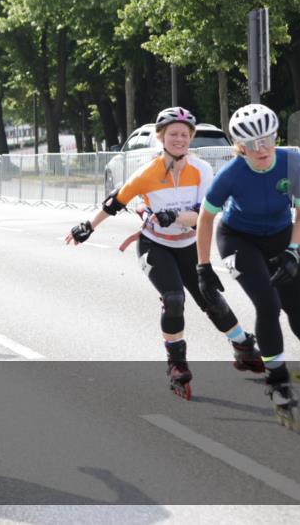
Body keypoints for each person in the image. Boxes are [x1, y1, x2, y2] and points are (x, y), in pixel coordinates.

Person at [66, 107, 263, 400]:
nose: (179, 139)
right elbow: (115, 202)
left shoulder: (202, 171)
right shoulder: (147, 173)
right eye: (173, 134)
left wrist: (175, 216)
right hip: (155, 246)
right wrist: (88, 226)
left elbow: (203, 216)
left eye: (185, 135)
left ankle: (243, 346)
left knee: (211, 299)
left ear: (191, 139)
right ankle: (177, 365)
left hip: (189, 246)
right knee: (174, 300)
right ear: (161, 137)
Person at [196, 103, 300, 428]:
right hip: (238, 238)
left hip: (281, 234)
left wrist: (294, 251)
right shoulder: (231, 174)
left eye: (267, 139)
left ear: (276, 136)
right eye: (252, 144)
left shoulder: (293, 162)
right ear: (239, 148)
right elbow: (205, 217)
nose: (261, 149)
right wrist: (203, 267)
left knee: (295, 302)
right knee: (268, 304)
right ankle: (277, 379)